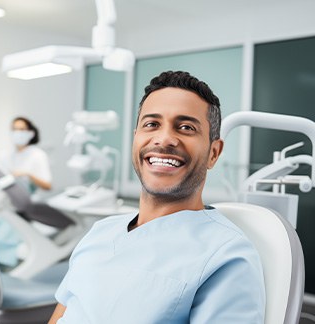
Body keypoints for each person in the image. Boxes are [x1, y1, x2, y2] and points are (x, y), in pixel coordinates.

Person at [48, 71, 265, 323]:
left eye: (186, 127)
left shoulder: (226, 256)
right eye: (151, 124)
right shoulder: (100, 232)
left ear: (213, 153)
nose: (164, 139)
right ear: (135, 139)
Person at [1, 116, 52, 194]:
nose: (17, 133)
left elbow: (48, 186)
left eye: (21, 129)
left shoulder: (38, 155)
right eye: (14, 129)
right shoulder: (7, 155)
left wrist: (28, 175)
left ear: (31, 133)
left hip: (32, 200)